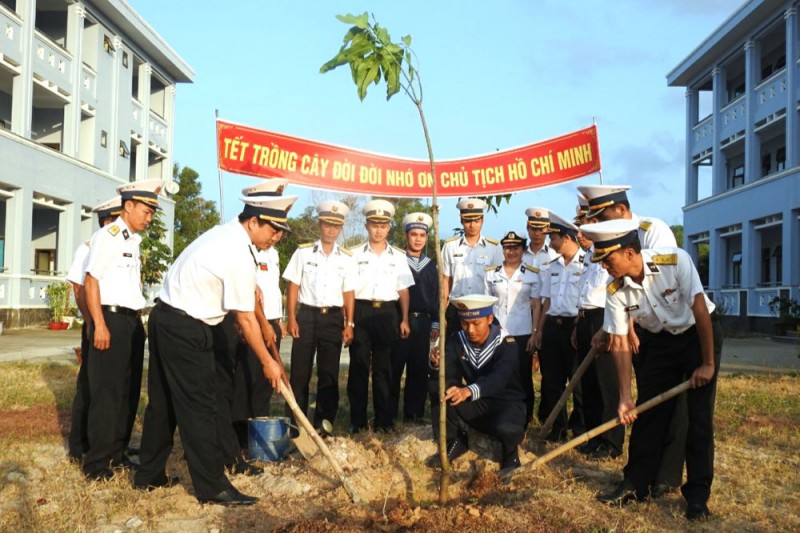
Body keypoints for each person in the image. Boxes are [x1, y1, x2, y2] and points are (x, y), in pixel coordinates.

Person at [133, 193, 296, 506]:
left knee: (164, 403)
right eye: (272, 230)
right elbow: (246, 318)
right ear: (253, 221)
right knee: (200, 407)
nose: (275, 238)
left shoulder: (223, 235)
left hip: (166, 319)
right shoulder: (236, 250)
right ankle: (212, 487)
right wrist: (268, 362)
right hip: (185, 327)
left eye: (280, 233)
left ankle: (149, 475)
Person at [581, 219, 720, 521]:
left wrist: (707, 364)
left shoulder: (673, 260)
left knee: (698, 418)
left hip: (698, 335)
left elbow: (699, 308)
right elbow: (618, 343)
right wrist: (624, 396)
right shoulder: (615, 288)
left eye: (608, 258)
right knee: (648, 414)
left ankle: (697, 495)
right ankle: (635, 483)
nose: (604, 265)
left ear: (630, 252)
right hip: (659, 341)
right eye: (601, 260)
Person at [579, 183, 683, 494]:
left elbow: (656, 285)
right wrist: (611, 327)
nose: (597, 225)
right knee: (645, 403)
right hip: (638, 328)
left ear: (621, 211)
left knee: (674, 406)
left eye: (603, 216)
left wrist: (631, 325)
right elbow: (617, 291)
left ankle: (667, 476)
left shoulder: (654, 232)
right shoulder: (610, 242)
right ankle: (639, 476)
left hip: (668, 332)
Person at [81, 179, 161, 480]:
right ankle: (97, 463)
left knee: (127, 391)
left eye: (152, 212)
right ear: (128, 206)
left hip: (131, 320)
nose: (149, 217)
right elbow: (91, 281)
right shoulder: (109, 236)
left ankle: (117, 453)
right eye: (146, 210)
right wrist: (98, 323)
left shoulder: (132, 241)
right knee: (107, 393)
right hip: (111, 320)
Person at [427, 294, 526, 476]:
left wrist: (467, 391)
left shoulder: (507, 344)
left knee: (507, 429)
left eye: (476, 323)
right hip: (476, 405)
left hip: (506, 405)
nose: (470, 330)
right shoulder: (458, 340)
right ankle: (454, 441)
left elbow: (498, 379)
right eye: (465, 323)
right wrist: (436, 363)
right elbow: (447, 373)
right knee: (439, 386)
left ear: (489, 319)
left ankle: (510, 457)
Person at [283, 200, 356, 435]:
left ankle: (325, 424)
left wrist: (349, 323)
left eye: (336, 226)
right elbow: (292, 287)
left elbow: (349, 293)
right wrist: (291, 318)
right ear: (319, 224)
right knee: (300, 373)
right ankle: (296, 424)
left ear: (341, 228)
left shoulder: (346, 258)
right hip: (307, 316)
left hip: (333, 319)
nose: (331, 230)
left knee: (328, 374)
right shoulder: (303, 252)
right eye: (327, 225)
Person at [347, 199, 414, 433]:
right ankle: (357, 420)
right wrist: (349, 321)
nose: (378, 229)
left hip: (387, 313)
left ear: (389, 227)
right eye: (374, 224)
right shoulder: (353, 255)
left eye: (383, 225)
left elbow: (403, 290)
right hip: (362, 311)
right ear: (366, 226)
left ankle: (384, 421)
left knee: (384, 369)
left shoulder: (397, 256)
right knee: (359, 367)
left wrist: (404, 319)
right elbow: (349, 291)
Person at [65, 196, 122, 463]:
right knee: (90, 385)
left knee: (109, 385)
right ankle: (80, 444)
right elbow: (79, 288)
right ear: (108, 220)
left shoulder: (121, 245)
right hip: (95, 321)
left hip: (111, 320)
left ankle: (107, 443)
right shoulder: (88, 248)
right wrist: (90, 321)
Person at [572, 195, 623, 459]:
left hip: (604, 319)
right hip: (585, 319)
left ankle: (611, 442)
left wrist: (609, 326)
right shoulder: (588, 257)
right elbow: (584, 294)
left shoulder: (608, 252)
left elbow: (614, 294)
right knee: (588, 384)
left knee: (607, 384)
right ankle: (592, 437)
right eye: (579, 225)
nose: (580, 232)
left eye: (585, 224)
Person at [534, 212, 585, 442]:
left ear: (566, 238)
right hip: (553, 328)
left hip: (574, 327)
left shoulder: (587, 264)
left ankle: (580, 428)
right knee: (551, 381)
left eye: (552, 238)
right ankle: (557, 428)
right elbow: (546, 301)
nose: (550, 243)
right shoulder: (551, 266)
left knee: (578, 380)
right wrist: (540, 331)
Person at [483, 230, 538, 424]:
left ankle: (525, 415)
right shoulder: (491, 273)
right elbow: (486, 303)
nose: (511, 252)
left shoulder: (531, 274)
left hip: (522, 331)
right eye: (507, 248)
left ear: (523, 250)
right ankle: (496, 411)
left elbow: (536, 305)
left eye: (515, 248)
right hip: (497, 332)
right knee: (496, 373)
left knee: (523, 375)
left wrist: (535, 334)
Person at [389, 212, 439, 425]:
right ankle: (389, 415)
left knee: (419, 370)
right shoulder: (396, 260)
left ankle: (414, 414)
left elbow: (437, 296)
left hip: (423, 322)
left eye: (422, 235)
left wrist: (435, 322)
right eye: (413, 234)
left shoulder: (431, 265)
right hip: (400, 320)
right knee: (394, 368)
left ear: (427, 238)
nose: (418, 239)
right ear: (406, 236)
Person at [441, 198, 503, 338]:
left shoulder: (494, 248)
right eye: (468, 221)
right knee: (454, 351)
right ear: (461, 221)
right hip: (456, 308)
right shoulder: (450, 246)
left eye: (476, 220)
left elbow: (498, 281)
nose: (472, 225)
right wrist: (443, 312)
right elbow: (445, 281)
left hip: (482, 309)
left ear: (482, 220)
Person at [522, 207, 558, 372]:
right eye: (533, 228)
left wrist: (538, 329)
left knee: (548, 367)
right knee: (520, 366)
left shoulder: (554, 256)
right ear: (527, 228)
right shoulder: (518, 253)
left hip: (546, 313)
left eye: (541, 229)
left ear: (547, 229)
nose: (537, 233)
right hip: (521, 313)